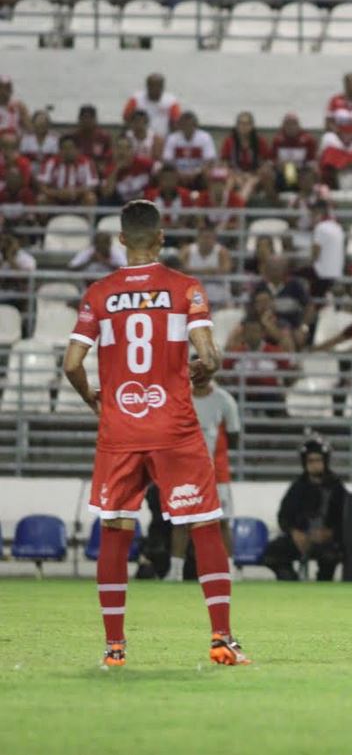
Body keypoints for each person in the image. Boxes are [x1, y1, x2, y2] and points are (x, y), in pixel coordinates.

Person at [60, 199, 247, 667]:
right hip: (175, 427)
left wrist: (94, 401)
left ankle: (115, 648)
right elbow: (209, 355)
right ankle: (221, 639)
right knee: (204, 523)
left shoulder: (99, 294)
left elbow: (71, 364)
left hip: (120, 426)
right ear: (161, 238)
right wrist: (201, 372)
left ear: (121, 240)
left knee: (117, 527)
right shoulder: (185, 289)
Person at [167, 375, 241, 582]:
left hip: (217, 473)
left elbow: (234, 436)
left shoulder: (224, 400)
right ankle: (175, 572)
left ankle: (229, 569)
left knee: (223, 521)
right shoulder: (180, 398)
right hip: (185, 471)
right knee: (181, 520)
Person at [263, 435, 346, 582]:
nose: (314, 465)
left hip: (327, 540)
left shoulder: (336, 487)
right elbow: (283, 516)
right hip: (300, 537)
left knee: (330, 555)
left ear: (325, 461)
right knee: (272, 553)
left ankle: (324, 585)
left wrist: (330, 533)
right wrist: (294, 533)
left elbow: (346, 517)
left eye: (318, 460)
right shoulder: (297, 487)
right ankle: (290, 582)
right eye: (310, 461)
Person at [219, 110, 276, 205]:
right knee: (229, 181)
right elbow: (224, 163)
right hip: (235, 174)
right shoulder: (230, 141)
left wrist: (251, 175)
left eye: (246, 123)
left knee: (249, 183)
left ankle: (238, 206)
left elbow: (265, 164)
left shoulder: (260, 142)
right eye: (241, 123)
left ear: (252, 126)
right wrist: (237, 175)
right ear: (237, 126)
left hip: (254, 176)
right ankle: (223, 205)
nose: (243, 126)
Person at [38, 134, 99, 206]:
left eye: (70, 148)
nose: (67, 151)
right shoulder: (50, 162)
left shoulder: (87, 162)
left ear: (78, 149)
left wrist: (75, 192)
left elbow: (93, 185)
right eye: (64, 148)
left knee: (90, 198)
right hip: (56, 197)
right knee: (42, 198)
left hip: (79, 197)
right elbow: (42, 186)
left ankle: (87, 217)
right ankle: (45, 217)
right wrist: (57, 193)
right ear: (59, 150)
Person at [180, 223, 231, 308]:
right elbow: (179, 269)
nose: (206, 240)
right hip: (192, 292)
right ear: (198, 238)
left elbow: (226, 269)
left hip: (216, 291)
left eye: (209, 238)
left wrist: (192, 271)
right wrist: (210, 271)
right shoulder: (188, 250)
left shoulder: (221, 251)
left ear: (215, 239)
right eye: (204, 237)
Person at [162, 110, 217, 189]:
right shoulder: (173, 138)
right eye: (184, 125)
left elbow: (209, 160)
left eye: (190, 125)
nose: (187, 127)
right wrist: (179, 172)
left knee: (209, 173)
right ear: (180, 125)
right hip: (178, 173)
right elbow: (167, 160)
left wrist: (196, 172)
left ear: (195, 125)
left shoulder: (205, 137)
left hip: (199, 174)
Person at [122, 73, 181, 140]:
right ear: (147, 86)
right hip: (138, 139)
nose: (154, 88)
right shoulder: (136, 98)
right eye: (151, 86)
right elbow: (126, 118)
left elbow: (175, 124)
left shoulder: (171, 101)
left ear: (162, 87)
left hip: (163, 139)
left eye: (157, 86)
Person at [101, 136, 154, 208]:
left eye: (126, 148)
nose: (122, 151)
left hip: (143, 204)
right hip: (121, 205)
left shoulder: (145, 164)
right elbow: (107, 193)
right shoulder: (110, 169)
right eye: (119, 148)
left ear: (132, 150)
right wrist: (116, 170)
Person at [271, 112, 319, 188]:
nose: (291, 127)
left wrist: (300, 166)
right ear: (283, 126)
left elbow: (312, 162)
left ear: (298, 125)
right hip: (282, 174)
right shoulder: (277, 140)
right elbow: (273, 160)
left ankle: (304, 196)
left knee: (311, 172)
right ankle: (274, 198)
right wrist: (278, 165)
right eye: (288, 124)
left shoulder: (308, 140)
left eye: (293, 124)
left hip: (302, 173)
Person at [73, 104, 114, 174]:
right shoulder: (73, 137)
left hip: (98, 172)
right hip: (78, 172)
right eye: (84, 117)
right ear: (79, 119)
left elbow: (109, 158)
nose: (87, 121)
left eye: (90, 118)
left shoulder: (103, 137)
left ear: (95, 119)